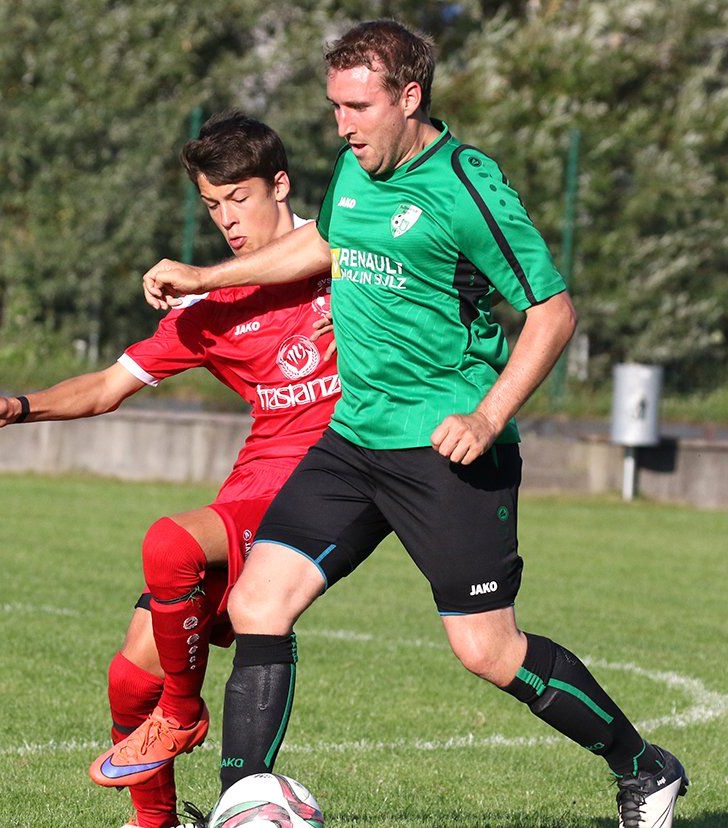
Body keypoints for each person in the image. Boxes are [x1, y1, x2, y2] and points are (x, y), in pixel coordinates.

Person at [139, 21, 688, 828]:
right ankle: (244, 803)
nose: (343, 125)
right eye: (335, 107)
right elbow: (322, 247)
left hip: (445, 452)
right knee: (259, 604)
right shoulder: (355, 170)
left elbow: (553, 312)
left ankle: (645, 768)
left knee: (487, 651)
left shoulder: (467, 187)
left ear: (409, 96)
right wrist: (205, 278)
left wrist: (488, 415)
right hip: (354, 440)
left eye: (358, 107)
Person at [0, 111, 339, 828]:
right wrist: (17, 406)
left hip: (323, 483)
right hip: (251, 484)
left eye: (240, 198)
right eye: (212, 205)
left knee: (170, 543)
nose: (227, 219)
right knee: (129, 673)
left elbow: (425, 274)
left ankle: (183, 713)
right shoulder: (211, 307)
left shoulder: (344, 245)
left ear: (281, 184)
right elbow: (108, 385)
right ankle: (154, 822)